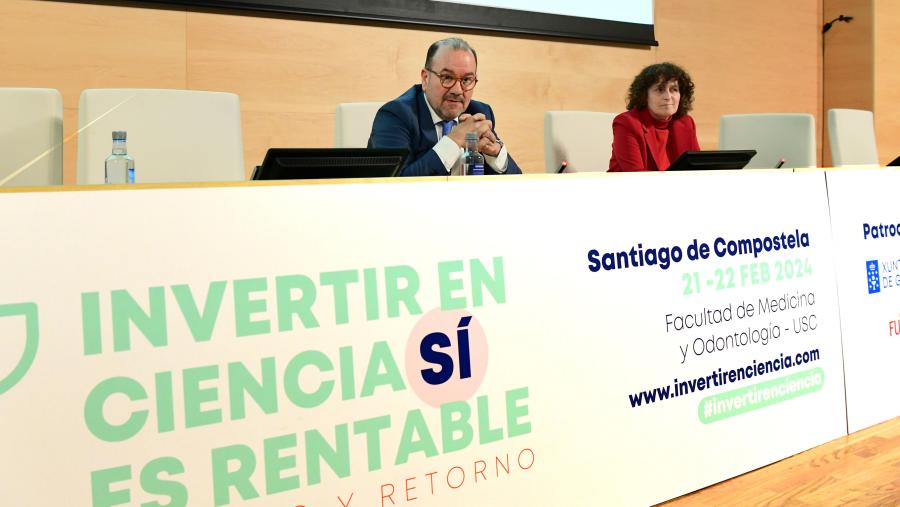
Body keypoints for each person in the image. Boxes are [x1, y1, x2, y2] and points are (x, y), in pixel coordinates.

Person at [368, 37, 521, 176]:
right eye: (447, 77)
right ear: (425, 78)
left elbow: (517, 185)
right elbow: (394, 185)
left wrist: (494, 155)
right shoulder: (395, 115)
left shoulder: (478, 113)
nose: (457, 90)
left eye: (467, 80)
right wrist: (453, 141)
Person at [608, 62, 700, 172]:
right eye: (660, 90)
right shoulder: (627, 123)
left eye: (674, 89)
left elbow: (696, 169)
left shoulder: (686, 123)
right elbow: (635, 175)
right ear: (644, 95)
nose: (668, 97)